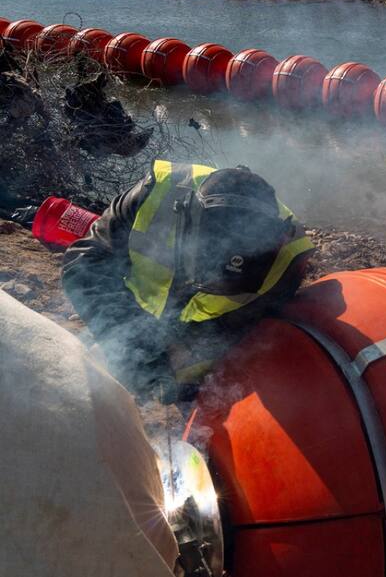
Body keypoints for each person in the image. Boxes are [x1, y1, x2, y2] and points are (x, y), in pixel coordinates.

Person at [62, 159, 314, 402]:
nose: (214, 282)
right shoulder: (155, 192)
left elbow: (247, 326)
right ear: (187, 218)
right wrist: (131, 343)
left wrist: (181, 359)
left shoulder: (290, 256)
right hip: (131, 312)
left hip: (198, 345)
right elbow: (86, 264)